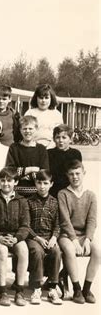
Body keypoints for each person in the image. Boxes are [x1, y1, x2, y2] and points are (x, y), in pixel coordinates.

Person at [58, 160, 99, 304]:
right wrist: (74, 240)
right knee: (69, 250)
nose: (75, 177)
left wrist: (88, 239)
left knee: (98, 251)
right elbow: (64, 221)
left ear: (84, 174)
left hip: (83, 235)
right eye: (71, 174)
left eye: (77, 173)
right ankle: (77, 289)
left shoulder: (91, 195)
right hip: (66, 235)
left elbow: (92, 220)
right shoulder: (63, 194)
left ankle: (87, 288)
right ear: (67, 176)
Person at [0, 167, 30, 306]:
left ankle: (19, 290)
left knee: (23, 251)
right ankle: (3, 291)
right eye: (3, 180)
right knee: (2, 251)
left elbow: (25, 225)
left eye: (9, 180)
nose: (6, 183)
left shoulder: (22, 201)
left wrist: (17, 238)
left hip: (16, 236)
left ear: (16, 182)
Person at [26, 170, 62, 305]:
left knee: (56, 251)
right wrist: (37, 238)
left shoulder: (55, 202)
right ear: (35, 183)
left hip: (49, 236)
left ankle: (52, 287)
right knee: (37, 251)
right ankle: (36, 288)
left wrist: (54, 238)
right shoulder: (29, 201)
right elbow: (25, 225)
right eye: (39, 183)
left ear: (51, 184)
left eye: (45, 183)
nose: (42, 186)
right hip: (33, 237)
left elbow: (58, 224)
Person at [6, 115, 49, 198]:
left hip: (37, 192)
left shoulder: (41, 149)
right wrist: (30, 169)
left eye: (30, 128)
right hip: (17, 193)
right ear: (20, 130)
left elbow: (44, 172)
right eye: (24, 128)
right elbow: (10, 171)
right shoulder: (14, 148)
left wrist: (22, 175)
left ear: (36, 129)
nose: (27, 131)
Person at [47, 124, 82, 197]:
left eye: (64, 137)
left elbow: (77, 173)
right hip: (52, 190)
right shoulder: (48, 153)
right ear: (53, 139)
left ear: (70, 139)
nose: (60, 140)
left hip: (69, 189)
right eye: (57, 137)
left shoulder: (75, 154)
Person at [24, 84, 63, 148]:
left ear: (51, 98)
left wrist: (51, 146)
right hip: (33, 147)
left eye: (46, 98)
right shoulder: (30, 113)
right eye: (41, 98)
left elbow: (60, 133)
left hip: (52, 147)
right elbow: (26, 132)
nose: (43, 101)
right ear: (36, 98)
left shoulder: (57, 114)